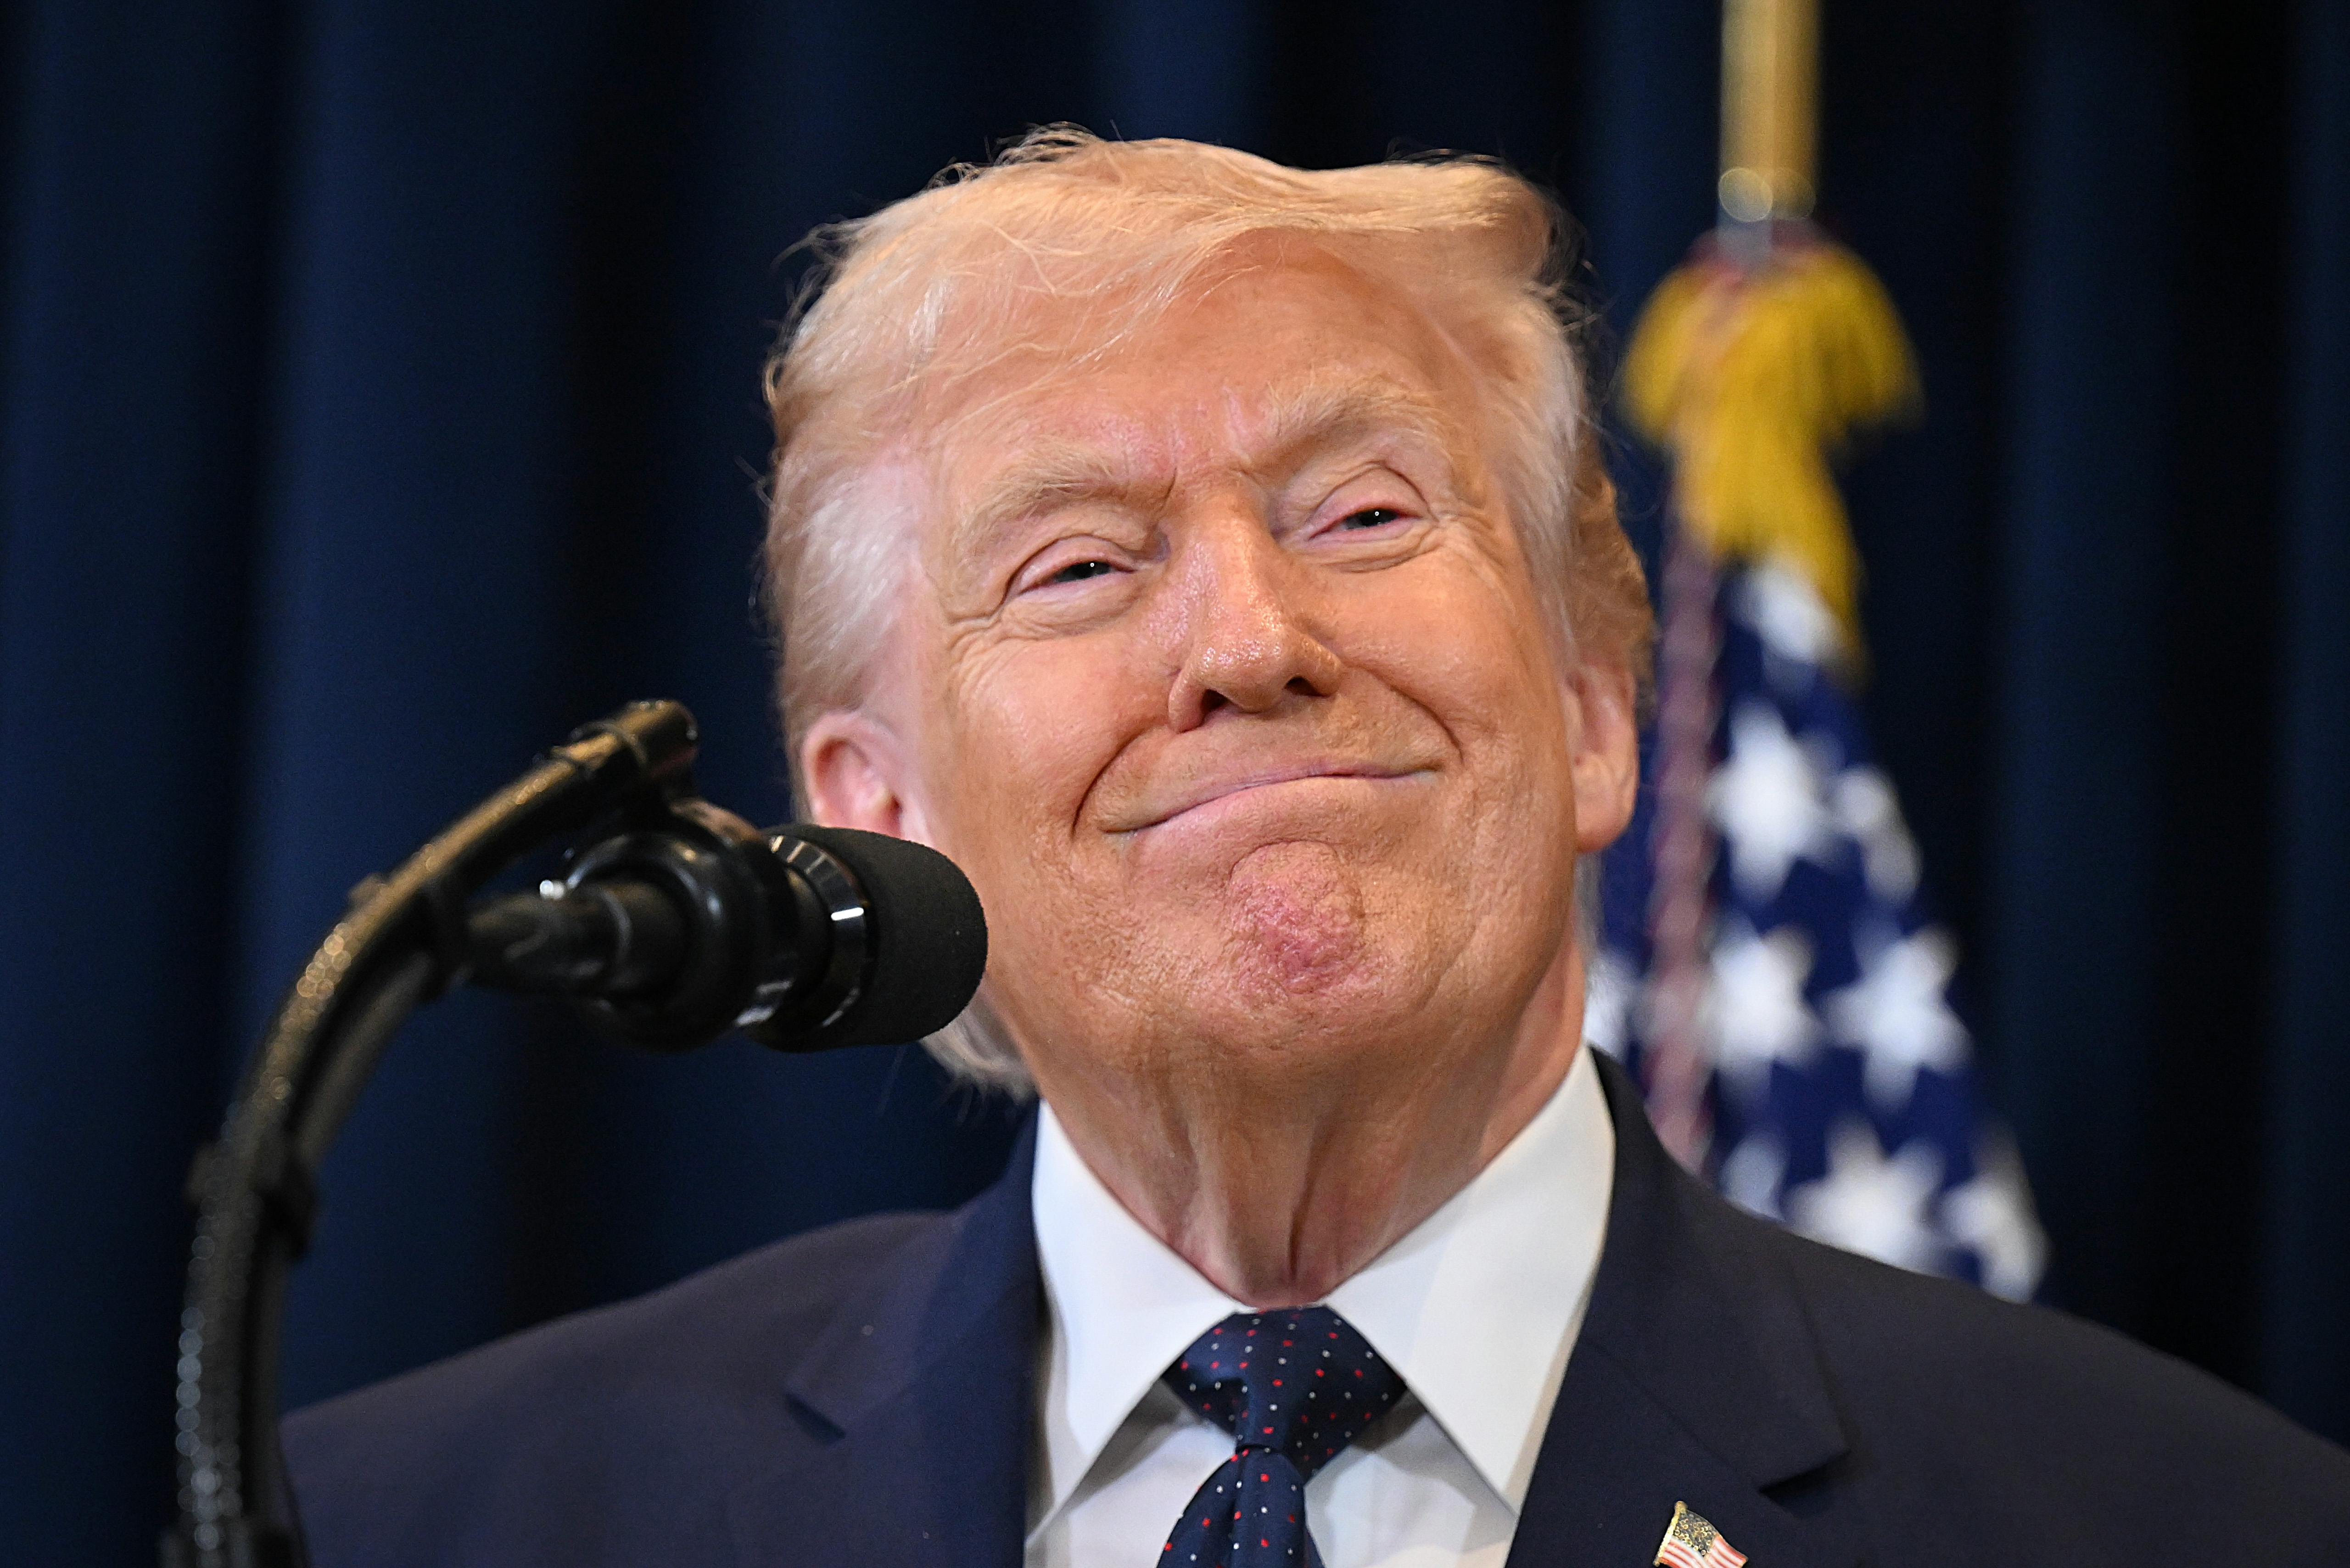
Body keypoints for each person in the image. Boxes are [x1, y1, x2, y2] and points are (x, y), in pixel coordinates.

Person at [285, 131, 2350, 1568]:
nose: (1249, 644)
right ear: (877, 810)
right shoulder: (420, 1520)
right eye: (1081, 563)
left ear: (1591, 711)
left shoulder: (2190, 1525)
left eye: (1361, 516)